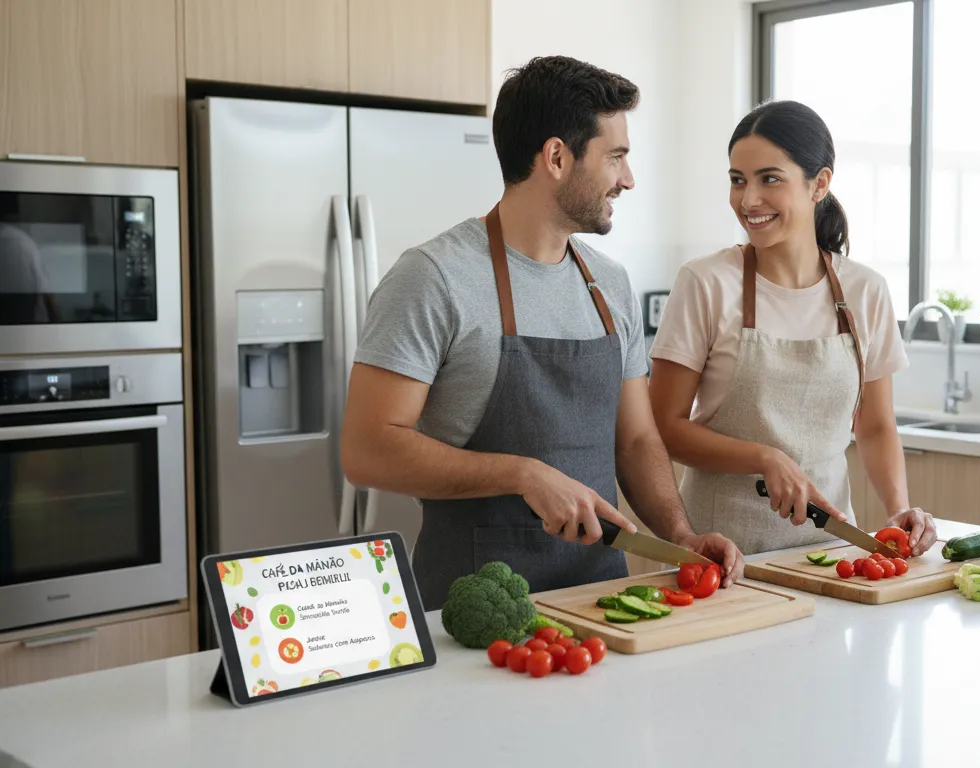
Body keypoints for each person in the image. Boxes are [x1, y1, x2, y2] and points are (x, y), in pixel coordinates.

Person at [341, 55, 744, 608]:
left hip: (603, 602)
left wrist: (681, 535)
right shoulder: (434, 278)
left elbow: (635, 440)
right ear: (557, 157)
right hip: (474, 612)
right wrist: (523, 474)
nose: (628, 179)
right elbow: (367, 450)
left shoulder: (609, 284)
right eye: (616, 158)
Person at [647, 100, 938, 556]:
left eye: (770, 179)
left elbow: (876, 425)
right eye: (737, 180)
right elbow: (663, 427)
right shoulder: (705, 283)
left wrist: (898, 510)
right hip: (720, 553)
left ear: (819, 183)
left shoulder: (865, 291)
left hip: (830, 552)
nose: (748, 200)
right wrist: (764, 458)